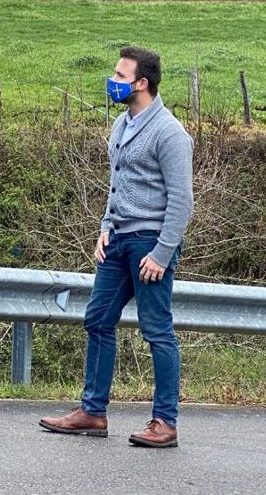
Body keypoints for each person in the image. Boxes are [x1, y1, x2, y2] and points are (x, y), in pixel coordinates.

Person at [40, 46, 193, 447]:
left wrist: (162, 253)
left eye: (120, 76)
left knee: (157, 330)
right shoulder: (121, 125)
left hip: (149, 243)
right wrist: (105, 225)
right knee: (97, 319)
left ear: (142, 83)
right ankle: (92, 413)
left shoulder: (170, 133)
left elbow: (182, 200)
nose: (113, 81)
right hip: (118, 239)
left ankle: (165, 422)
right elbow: (117, 183)